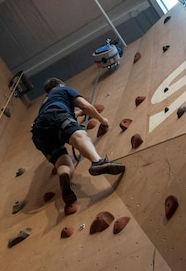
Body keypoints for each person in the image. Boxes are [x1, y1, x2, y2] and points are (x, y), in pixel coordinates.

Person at [31, 78, 125, 213]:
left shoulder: (46, 100)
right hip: (56, 117)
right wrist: (102, 120)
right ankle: (97, 162)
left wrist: (78, 114)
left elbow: (54, 115)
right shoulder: (64, 89)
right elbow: (85, 106)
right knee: (81, 136)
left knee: (64, 163)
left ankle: (64, 176)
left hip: (38, 132)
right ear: (61, 84)